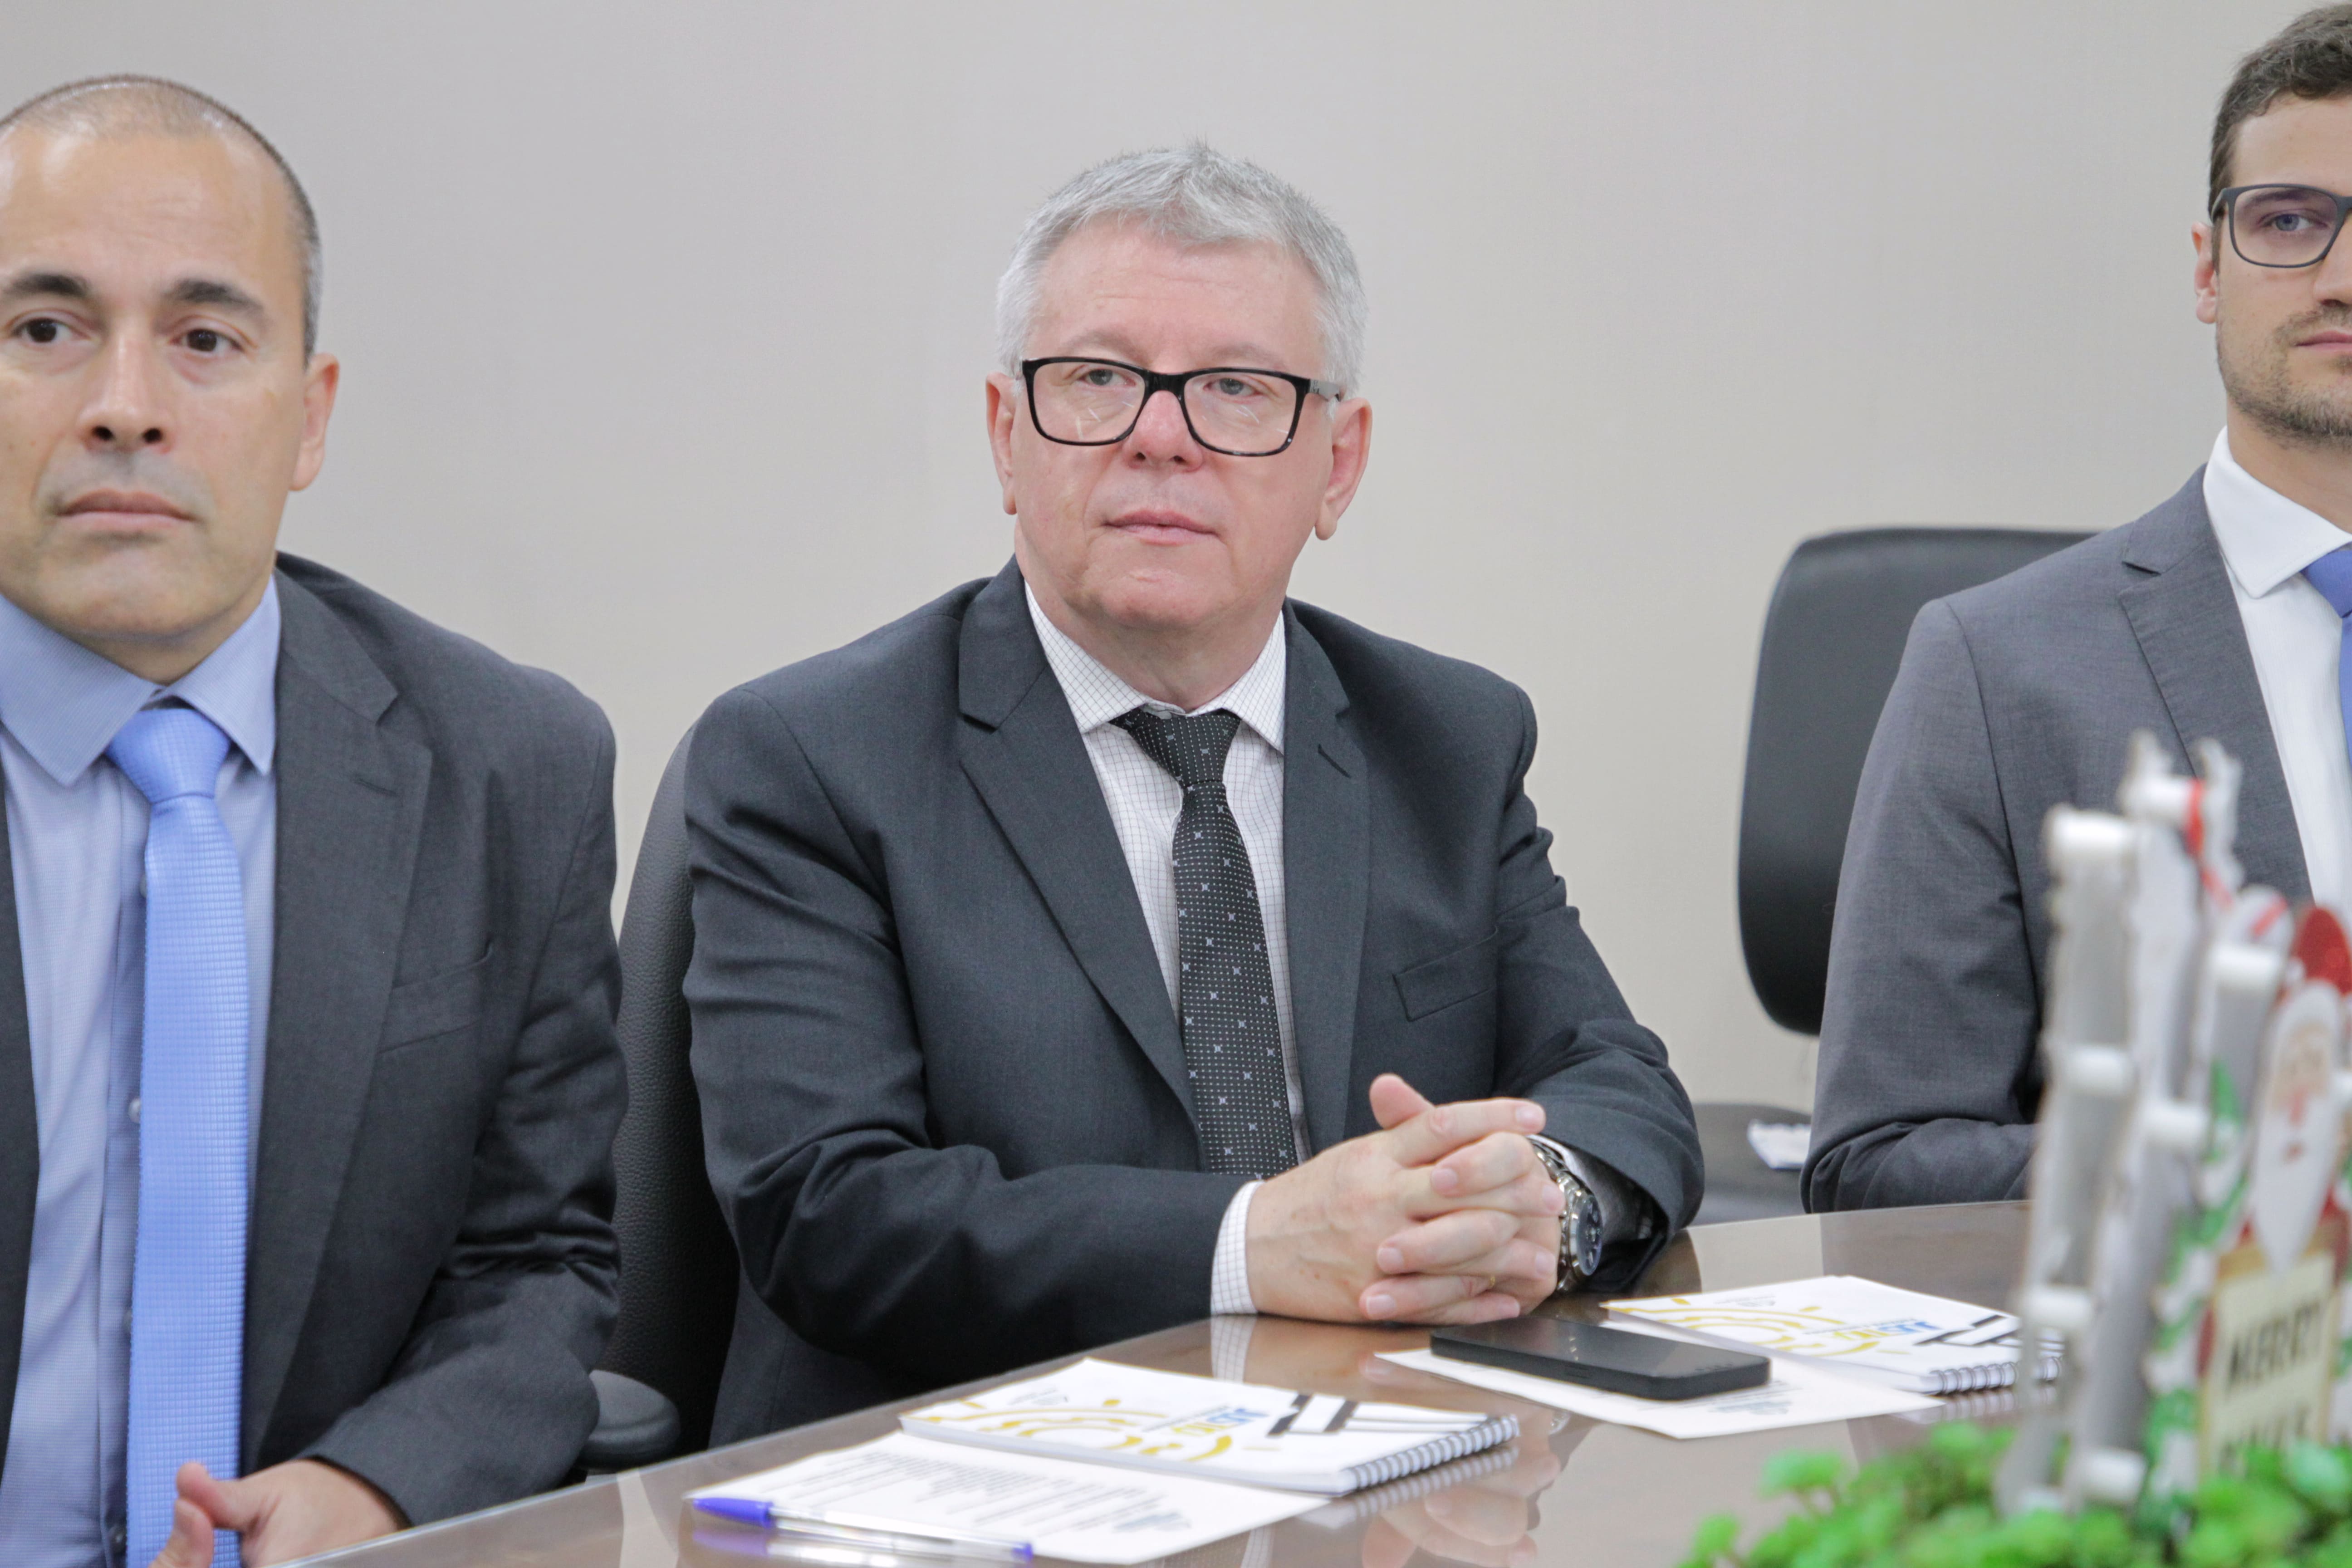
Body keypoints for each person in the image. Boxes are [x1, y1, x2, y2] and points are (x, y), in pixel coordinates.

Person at [686, 143, 1700, 1438]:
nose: (1160, 437)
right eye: (1098, 379)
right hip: (973, 1469)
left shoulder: (1448, 738)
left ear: (1339, 464)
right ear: (1007, 436)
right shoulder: (814, 756)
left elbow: (1615, 1080)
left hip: (1382, 1457)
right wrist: (1253, 1241)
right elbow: (829, 1212)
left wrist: (1535, 1206)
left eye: (1236, 389)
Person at [0, 78, 627, 1567]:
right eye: (46, 329)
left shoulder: (510, 766)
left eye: (206, 340)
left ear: (311, 416)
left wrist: (381, 1483)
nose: (126, 404)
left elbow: (539, 1265)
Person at [1807, 5, 2352, 1210]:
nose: (2341, 278)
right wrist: (2239, 1175)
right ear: (2208, 269)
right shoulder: (1996, 667)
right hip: (2191, 1321)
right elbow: (1877, 1163)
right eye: (2290, 222)